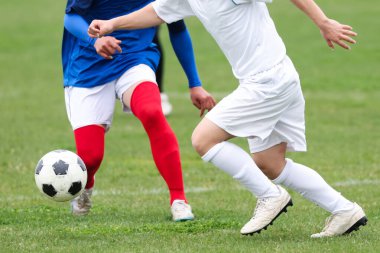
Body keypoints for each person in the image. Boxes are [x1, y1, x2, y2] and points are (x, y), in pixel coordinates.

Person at [87, 0, 368, 238]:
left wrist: (322, 21)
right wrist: (113, 24)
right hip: (278, 78)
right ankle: (344, 210)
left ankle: (270, 196)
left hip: (267, 81)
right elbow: (158, 11)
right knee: (270, 164)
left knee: (203, 140)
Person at [62, 0, 216, 221]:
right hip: (87, 66)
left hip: (134, 58)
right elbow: (70, 17)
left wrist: (195, 83)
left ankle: (179, 200)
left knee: (152, 112)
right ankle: (86, 186)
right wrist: (94, 40)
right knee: (91, 156)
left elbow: (178, 28)